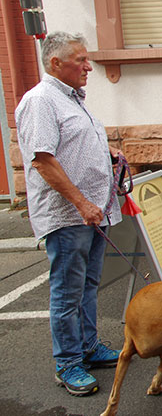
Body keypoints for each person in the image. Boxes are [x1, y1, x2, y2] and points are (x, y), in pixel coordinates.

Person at [15, 32, 122, 396]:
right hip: (69, 216)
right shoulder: (41, 100)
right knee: (66, 292)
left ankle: (88, 348)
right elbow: (43, 160)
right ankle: (68, 364)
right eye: (80, 60)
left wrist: (108, 159)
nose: (88, 66)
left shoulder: (72, 99)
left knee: (88, 286)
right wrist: (81, 203)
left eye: (87, 59)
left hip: (92, 214)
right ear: (55, 63)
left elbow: (73, 146)